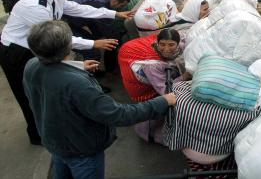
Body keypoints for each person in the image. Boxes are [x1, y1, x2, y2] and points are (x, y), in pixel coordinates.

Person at [23, 20, 176, 177]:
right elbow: (118, 115)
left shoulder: (32, 65)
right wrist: (163, 101)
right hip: (82, 152)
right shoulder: (77, 84)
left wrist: (77, 67)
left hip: (55, 143)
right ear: (68, 46)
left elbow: (53, 79)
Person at [0, 0, 132, 145]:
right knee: (28, 95)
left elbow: (80, 9)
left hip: (36, 47)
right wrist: (93, 43)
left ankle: (44, 128)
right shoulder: (35, 6)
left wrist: (115, 13)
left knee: (42, 90)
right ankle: (36, 135)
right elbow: (54, 37)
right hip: (17, 52)